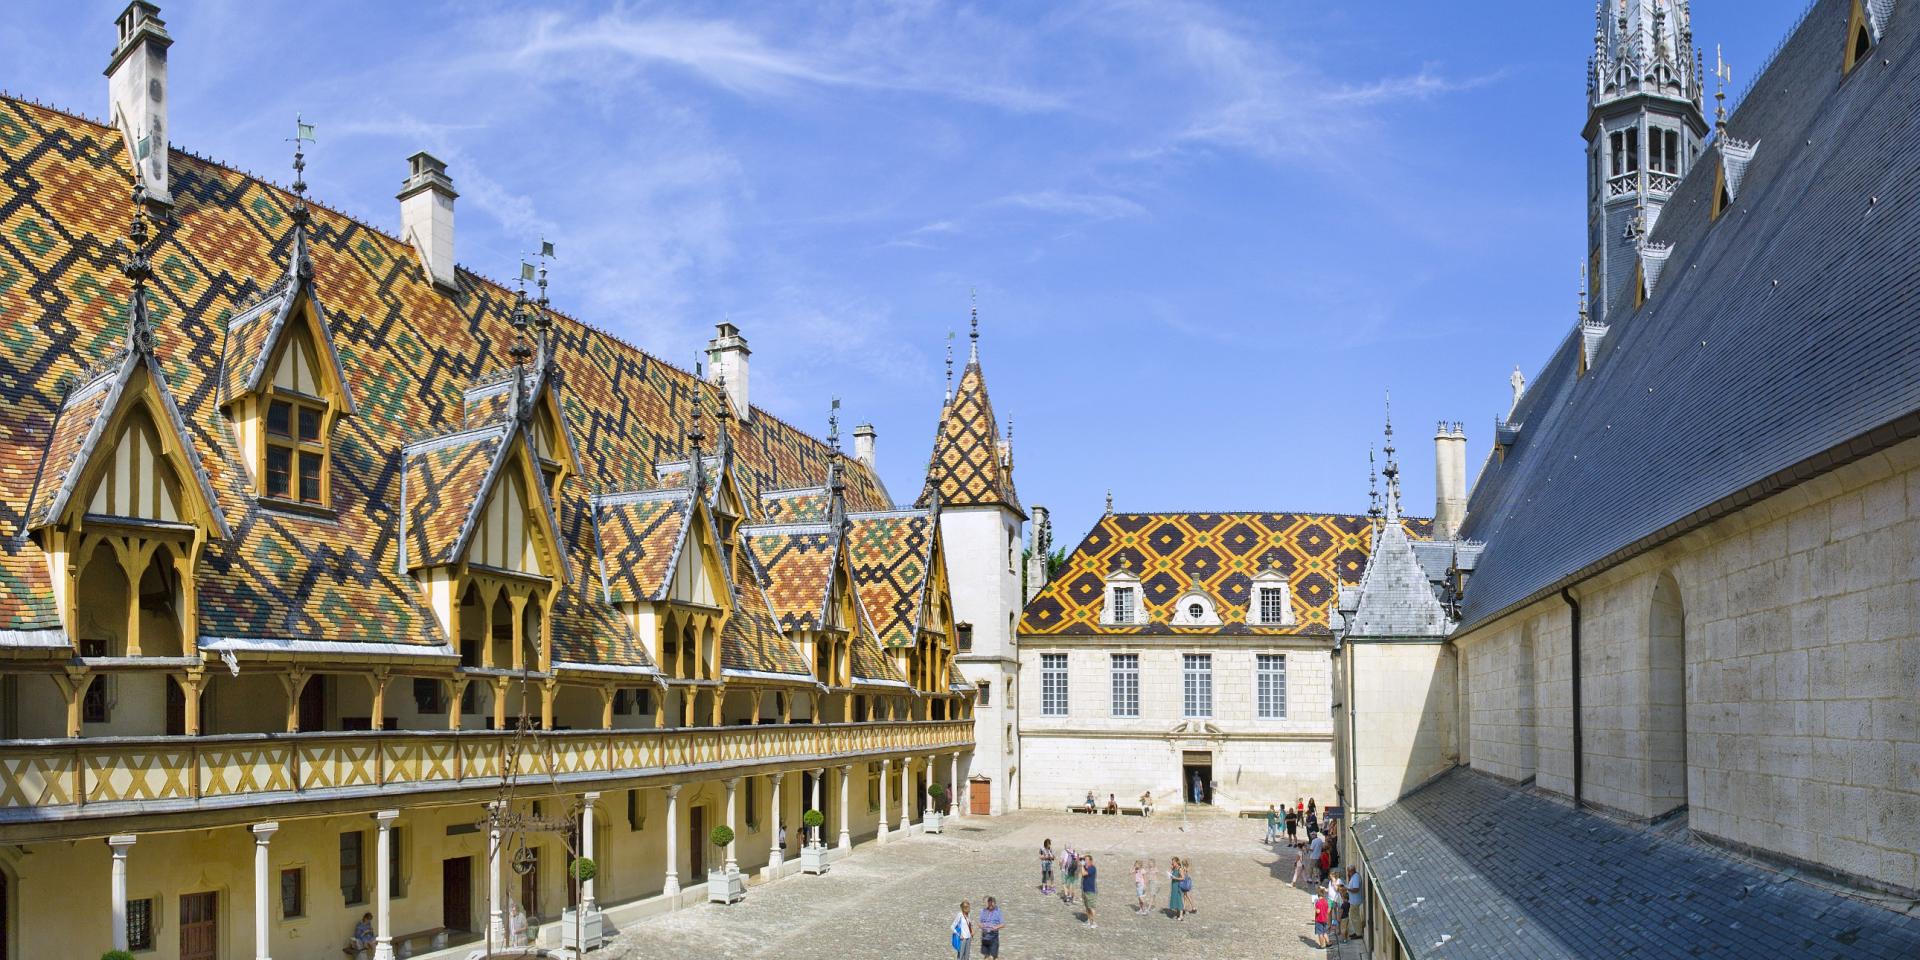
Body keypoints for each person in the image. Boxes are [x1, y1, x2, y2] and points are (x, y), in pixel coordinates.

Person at [1346, 865, 1367, 941]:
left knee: (1355, 917)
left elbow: (1356, 889)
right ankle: (1357, 931)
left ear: (1351, 871)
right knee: (1354, 916)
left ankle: (1359, 933)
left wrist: (1348, 889)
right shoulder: (1354, 876)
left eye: (1348, 871)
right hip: (1353, 900)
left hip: (1355, 901)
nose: (1348, 873)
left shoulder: (1355, 877)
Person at [1080, 852, 1099, 928]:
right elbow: (1080, 870)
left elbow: (1084, 874)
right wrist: (1081, 859)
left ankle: (1093, 922)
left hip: (1091, 891)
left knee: (1091, 907)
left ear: (1091, 861)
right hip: (1085, 890)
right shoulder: (1085, 867)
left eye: (1087, 860)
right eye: (1085, 860)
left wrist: (1082, 865)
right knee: (1087, 907)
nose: (1085, 861)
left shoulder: (1092, 868)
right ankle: (1089, 920)